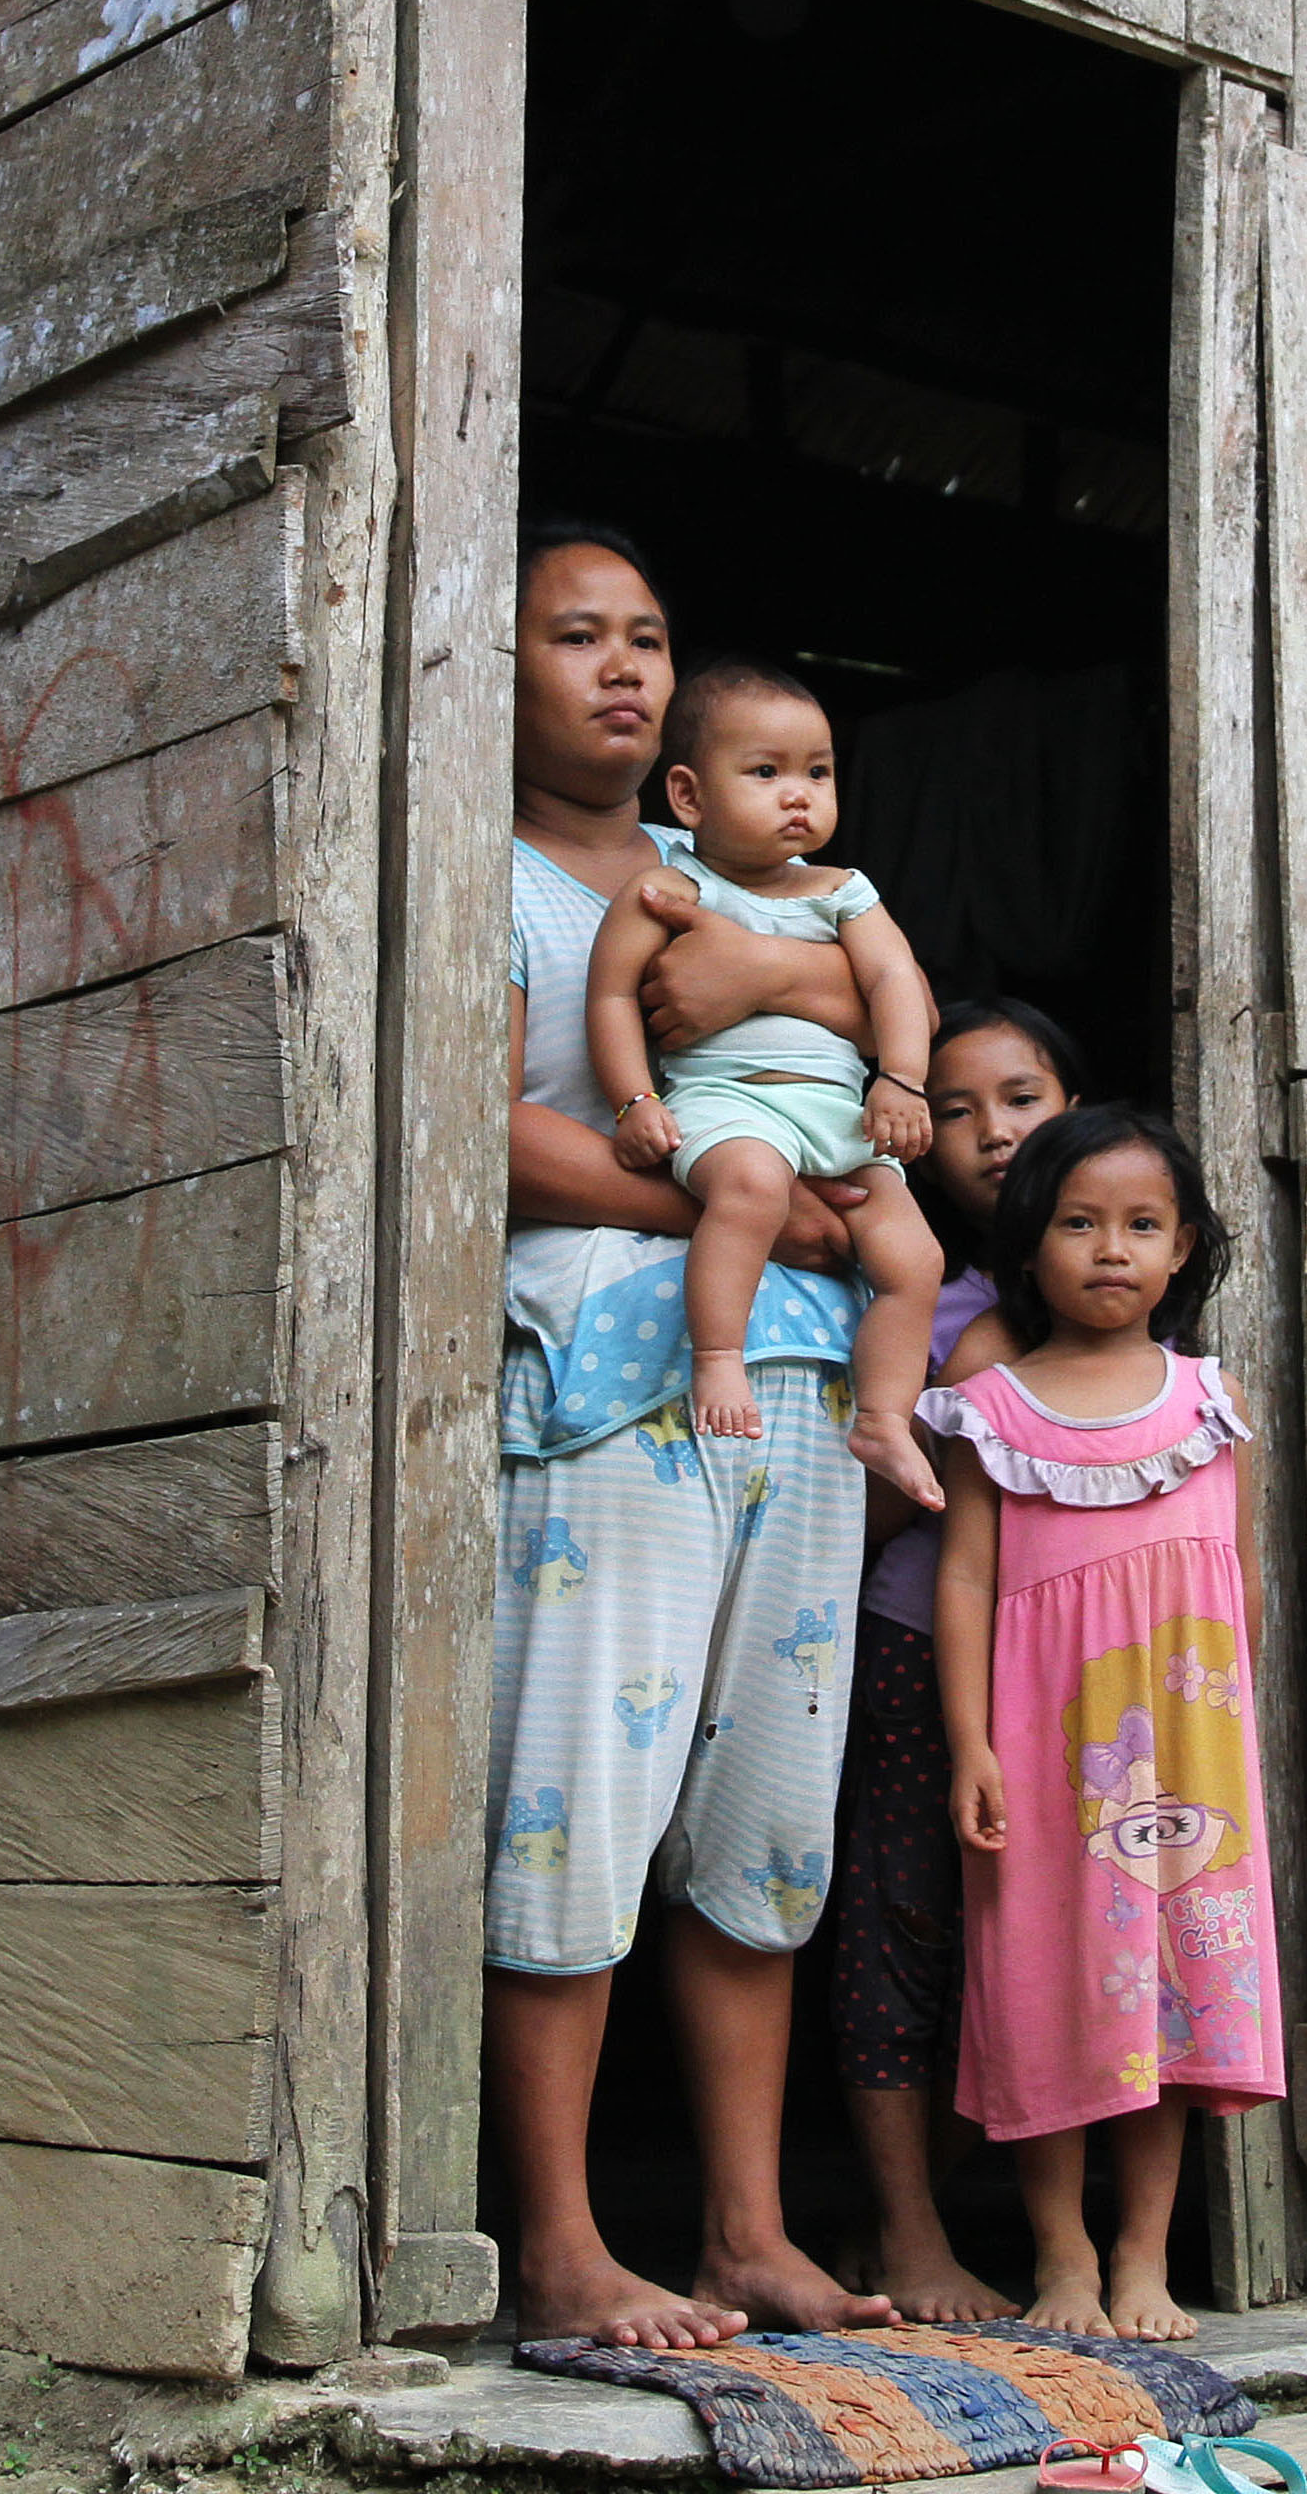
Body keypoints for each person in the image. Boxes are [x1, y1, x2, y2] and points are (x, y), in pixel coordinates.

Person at [489, 517, 898, 2350]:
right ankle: (565, 2244)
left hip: (798, 1370)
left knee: (765, 1808)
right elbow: (492, 1123)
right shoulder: (479, 873)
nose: (622, 663)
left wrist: (779, 1003)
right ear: (494, 670)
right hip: (610, 1369)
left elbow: (873, 992)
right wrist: (746, 1208)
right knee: (582, 1794)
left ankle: (744, 2227)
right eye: (576, 635)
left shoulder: (723, 846)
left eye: (645, 633)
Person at [929, 1107, 1286, 2344]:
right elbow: (965, 1581)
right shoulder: (990, 1406)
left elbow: (1226, 1582)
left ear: (1185, 1246)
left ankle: (1144, 2257)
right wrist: (971, 1744)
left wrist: (1230, 1750)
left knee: (1167, 1993)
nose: (1111, 1249)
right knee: (1049, 1985)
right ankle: (1063, 2256)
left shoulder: (1208, 1400)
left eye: (1142, 1225)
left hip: (1183, 1756)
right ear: (1029, 1247)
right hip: (1045, 1749)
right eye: (1079, 1224)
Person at [822, 995, 1088, 2321]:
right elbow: (859, 1503)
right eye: (961, 1109)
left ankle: (964, 2227)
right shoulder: (920, 1301)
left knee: (1031, 1933)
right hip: (919, 1643)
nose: (993, 1134)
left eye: (1024, 1098)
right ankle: (907, 2229)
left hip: (1079, 1673)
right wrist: (954, 1418)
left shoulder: (1124, 1294)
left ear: (1077, 1111)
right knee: (902, 1915)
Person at [584, 659, 952, 1493]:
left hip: (836, 1115)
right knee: (749, 1187)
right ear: (688, 796)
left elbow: (900, 986)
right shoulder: (666, 890)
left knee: (914, 1256)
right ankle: (718, 1358)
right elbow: (609, 996)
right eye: (766, 773)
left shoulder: (845, 892)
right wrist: (634, 1099)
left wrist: (900, 1079)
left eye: (817, 773)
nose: (799, 794)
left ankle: (886, 1420)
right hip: (726, 1104)